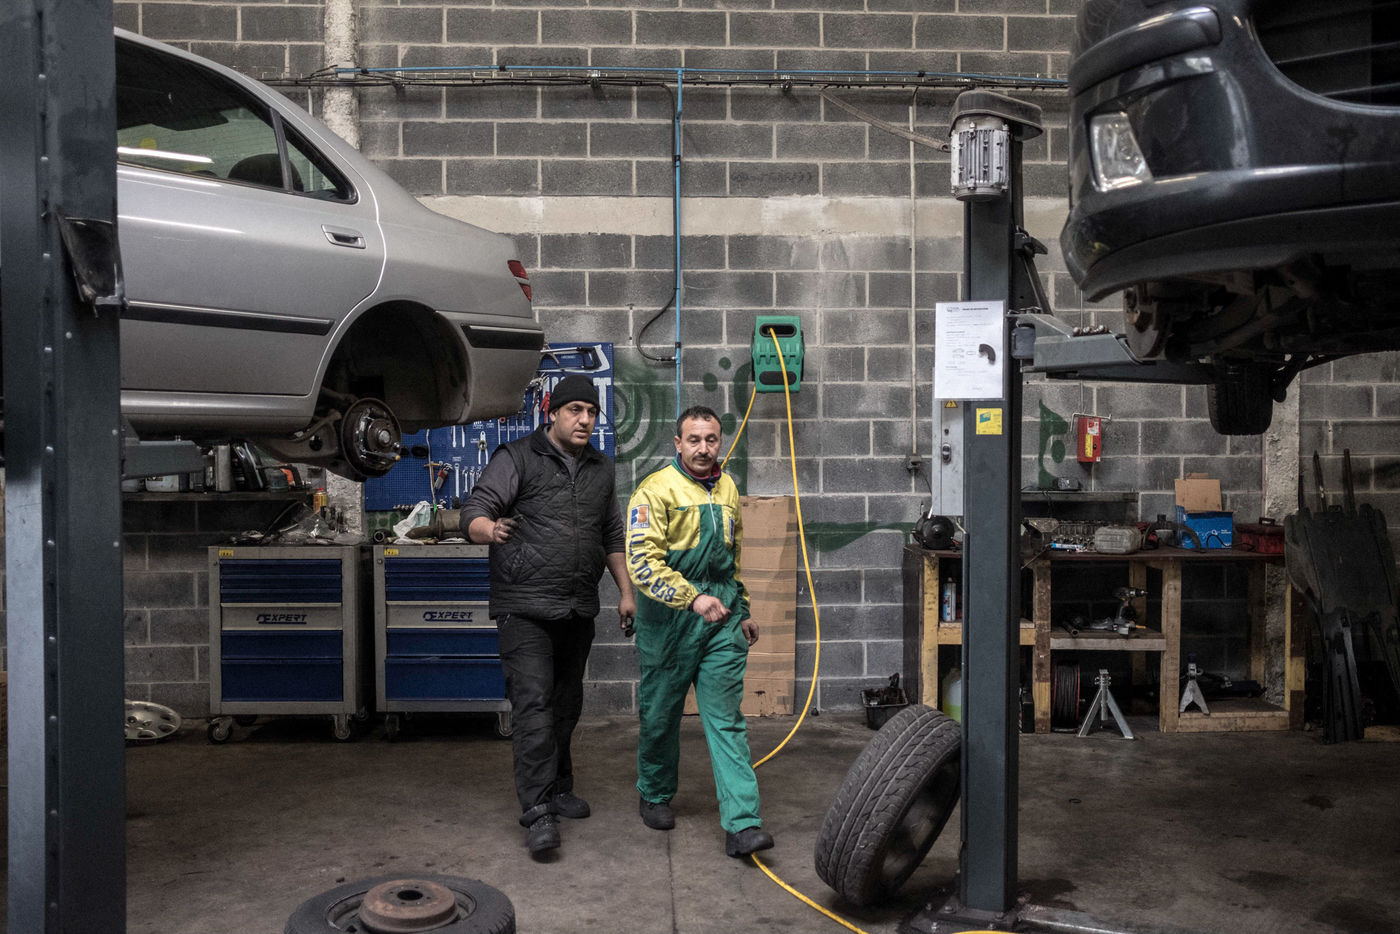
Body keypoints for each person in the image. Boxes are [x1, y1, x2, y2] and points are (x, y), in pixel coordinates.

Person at [461, 374, 635, 857]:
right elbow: (474, 510)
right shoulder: (516, 457)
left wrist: (626, 592)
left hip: (577, 605)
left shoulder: (601, 468)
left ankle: (558, 787)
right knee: (534, 706)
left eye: (592, 412)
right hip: (525, 607)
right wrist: (490, 529)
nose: (585, 419)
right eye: (575, 409)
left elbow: (611, 534)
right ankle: (537, 810)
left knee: (565, 704)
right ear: (552, 413)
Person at [624, 404, 774, 859]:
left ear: (720, 441)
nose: (704, 448)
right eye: (694, 440)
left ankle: (743, 824)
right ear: (677, 443)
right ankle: (654, 792)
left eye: (711, 439)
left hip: (720, 621)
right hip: (669, 624)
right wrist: (692, 598)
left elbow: (732, 560)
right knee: (660, 716)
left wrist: (741, 610)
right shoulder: (654, 491)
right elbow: (642, 564)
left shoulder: (727, 488)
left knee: (726, 719)